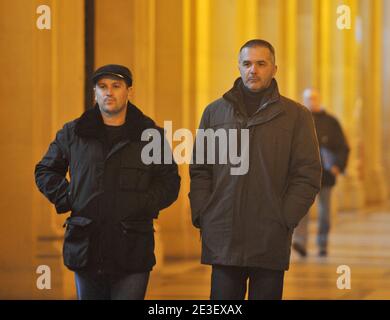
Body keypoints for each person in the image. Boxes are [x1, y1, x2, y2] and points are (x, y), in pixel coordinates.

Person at [189, 39, 322, 300]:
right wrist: (204, 213)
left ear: (274, 68)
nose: (253, 70)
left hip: (269, 235)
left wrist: (285, 217)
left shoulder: (296, 116)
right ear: (238, 67)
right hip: (223, 234)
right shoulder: (214, 113)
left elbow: (307, 174)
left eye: (261, 64)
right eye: (247, 63)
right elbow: (200, 169)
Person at [35, 64, 180, 300]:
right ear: (95, 92)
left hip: (132, 249)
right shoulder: (74, 133)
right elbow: (45, 170)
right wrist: (70, 196)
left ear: (129, 91)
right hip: (87, 248)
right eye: (102, 87)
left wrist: (143, 203)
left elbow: (169, 182)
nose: (108, 92)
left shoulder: (150, 135)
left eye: (116, 86)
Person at [292, 88, 350, 257]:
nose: (312, 101)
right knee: (302, 211)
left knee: (324, 213)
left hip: (326, 175)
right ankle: (300, 242)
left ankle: (322, 244)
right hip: (302, 175)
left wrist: (338, 165)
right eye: (308, 98)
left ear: (319, 99)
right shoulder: (298, 120)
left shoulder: (331, 122)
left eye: (314, 98)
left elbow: (343, 147)